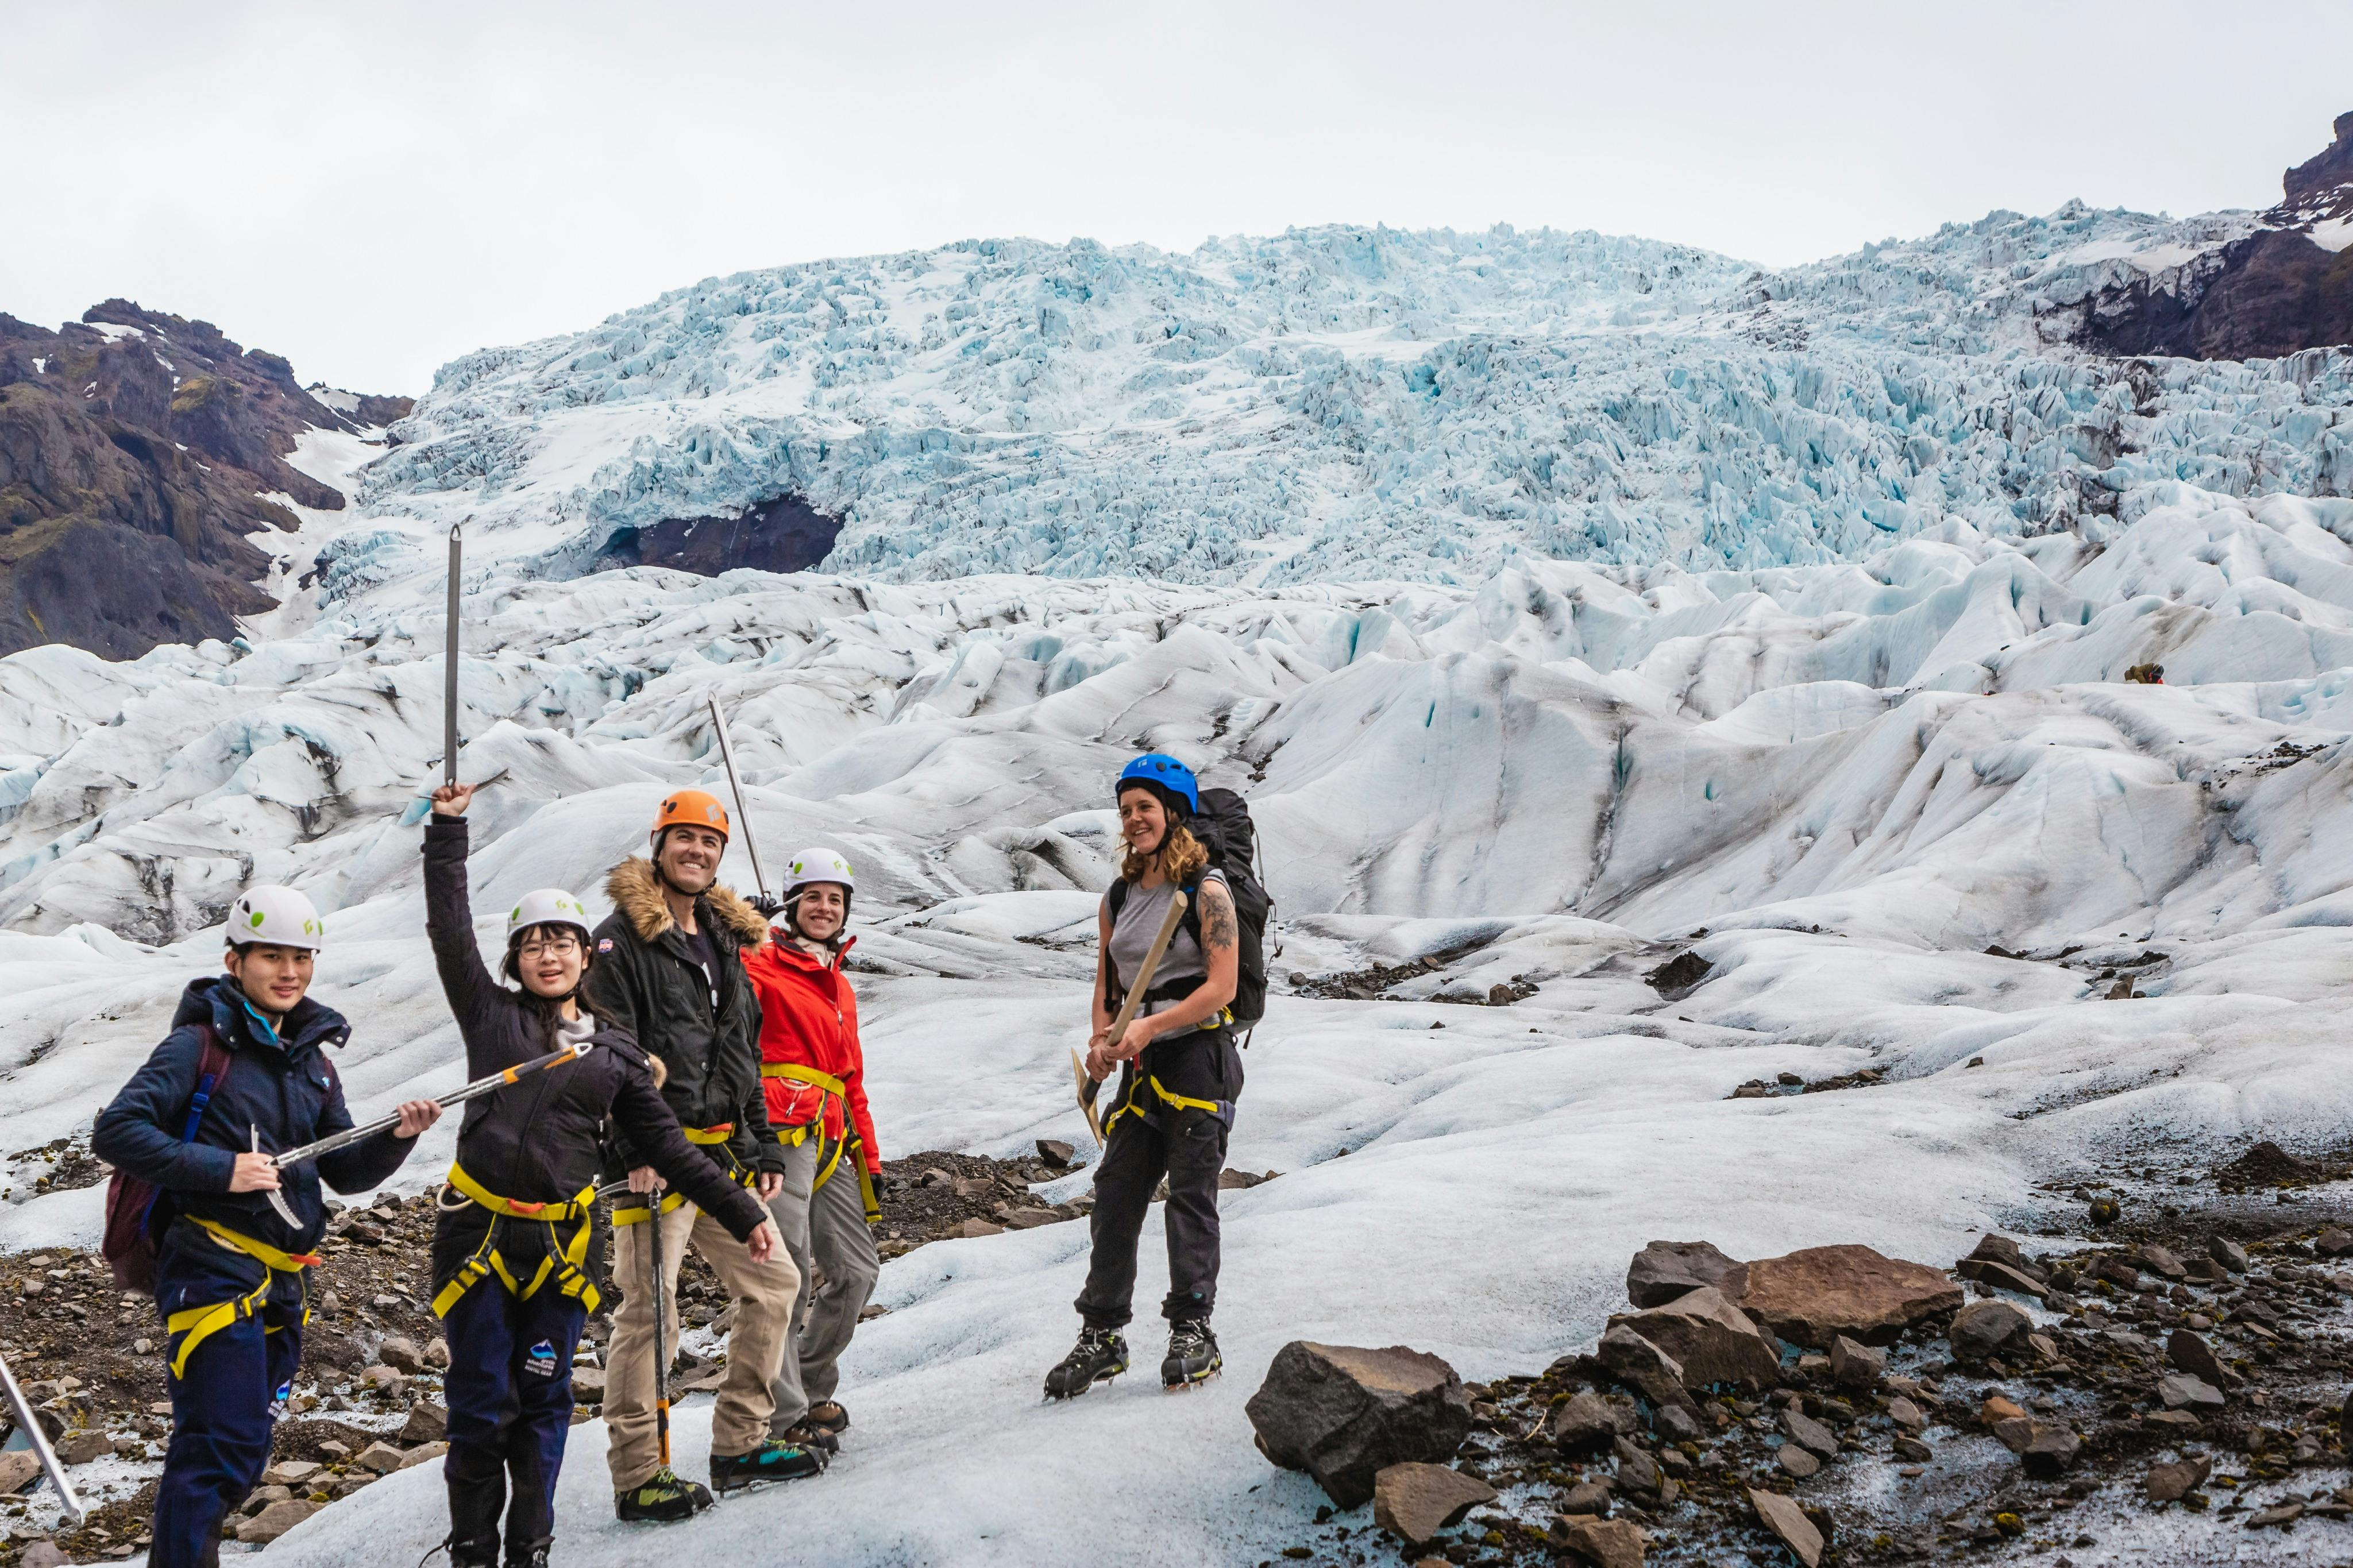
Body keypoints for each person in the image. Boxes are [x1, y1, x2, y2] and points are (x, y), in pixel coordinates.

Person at [419, 785, 786, 1560]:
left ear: (585, 956)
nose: (549, 953)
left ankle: (531, 1546)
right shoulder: (495, 1019)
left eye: (563, 942)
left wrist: (747, 1208)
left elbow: (674, 1144)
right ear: (518, 958)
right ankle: (474, 1549)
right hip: (481, 1232)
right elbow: (450, 932)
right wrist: (447, 833)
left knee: (545, 1400)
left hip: (561, 1244)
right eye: (534, 943)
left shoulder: (615, 1051)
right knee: (485, 1404)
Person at [93, 887, 442, 1568]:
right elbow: (117, 1131)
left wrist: (398, 1138)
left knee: (245, 1443)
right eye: (271, 956)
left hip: (280, 1283)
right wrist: (222, 1170)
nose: (289, 972)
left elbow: (342, 1170)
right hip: (209, 1267)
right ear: (235, 960)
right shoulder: (197, 1047)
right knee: (218, 1442)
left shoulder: (311, 1060)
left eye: (301, 958)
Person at [588, 789, 820, 1515]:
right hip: (650, 1162)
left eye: (709, 842)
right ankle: (637, 1477)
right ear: (658, 847)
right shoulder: (620, 940)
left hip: (719, 1158)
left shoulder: (722, 938)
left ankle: (738, 1443)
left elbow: (740, 1052)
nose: (697, 851)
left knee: (775, 1285)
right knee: (649, 1314)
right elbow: (611, 1053)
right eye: (683, 838)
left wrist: (764, 1147)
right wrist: (632, 1146)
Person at [1046, 754, 1242, 1399]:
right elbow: (1108, 985)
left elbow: (1222, 987)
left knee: (1190, 1194)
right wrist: (1104, 1040)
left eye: (1145, 808)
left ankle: (1193, 1329)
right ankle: (1102, 1334)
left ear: (1173, 814)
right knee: (1117, 1194)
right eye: (1126, 809)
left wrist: (1148, 1030)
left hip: (1197, 1058)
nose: (1133, 820)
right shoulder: (1120, 896)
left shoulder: (1207, 891)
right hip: (1140, 1062)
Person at [743, 847, 882, 1453]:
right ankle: (783, 1416)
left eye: (836, 899)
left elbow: (850, 1078)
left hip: (832, 1137)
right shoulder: (759, 962)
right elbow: (722, 1001)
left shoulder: (839, 986)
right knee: (788, 1274)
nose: (825, 908)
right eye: (814, 898)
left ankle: (808, 1379)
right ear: (792, 906)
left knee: (854, 1273)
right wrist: (737, 937)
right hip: (778, 1132)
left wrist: (869, 1158)